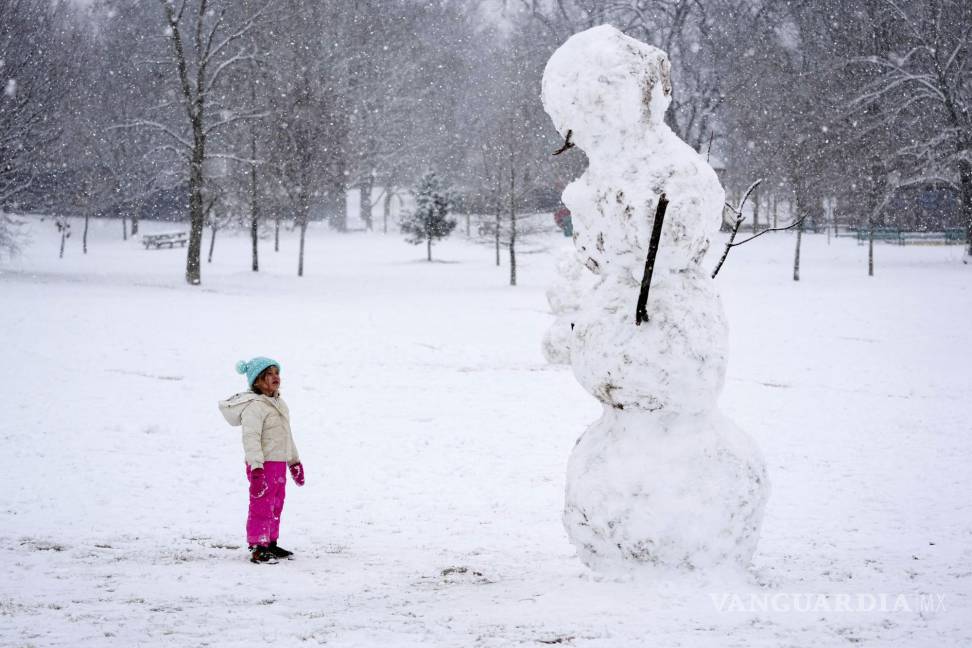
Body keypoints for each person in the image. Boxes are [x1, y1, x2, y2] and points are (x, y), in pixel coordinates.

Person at [218, 357, 305, 564]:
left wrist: (294, 462)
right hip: (262, 465)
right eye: (270, 373)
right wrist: (256, 469)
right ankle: (258, 545)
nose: (276, 377)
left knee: (276, 504)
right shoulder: (254, 407)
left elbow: (287, 435)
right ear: (257, 380)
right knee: (261, 505)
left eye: (277, 372)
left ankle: (270, 542)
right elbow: (251, 439)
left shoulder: (279, 404)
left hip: (278, 464)